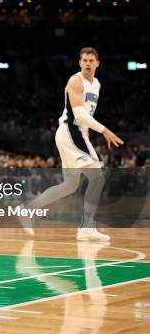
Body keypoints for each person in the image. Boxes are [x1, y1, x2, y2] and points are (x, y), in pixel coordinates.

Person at [22, 47, 124, 241]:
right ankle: (86, 227)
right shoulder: (75, 81)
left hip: (79, 134)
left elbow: (86, 115)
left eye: (91, 60)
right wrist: (104, 130)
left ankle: (28, 208)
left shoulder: (97, 84)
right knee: (97, 177)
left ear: (97, 63)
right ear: (79, 63)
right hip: (70, 133)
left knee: (69, 186)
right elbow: (78, 115)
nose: (87, 63)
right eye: (84, 60)